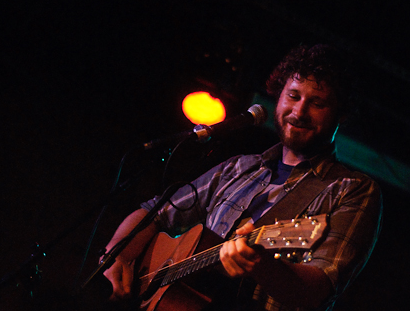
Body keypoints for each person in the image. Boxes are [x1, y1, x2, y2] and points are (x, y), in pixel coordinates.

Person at [101, 44, 382, 310]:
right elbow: (153, 213)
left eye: (317, 103)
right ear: (278, 96)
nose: (299, 111)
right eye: (293, 96)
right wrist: (118, 254)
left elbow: (317, 290)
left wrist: (259, 262)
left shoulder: (350, 189)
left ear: (340, 115)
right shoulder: (239, 168)